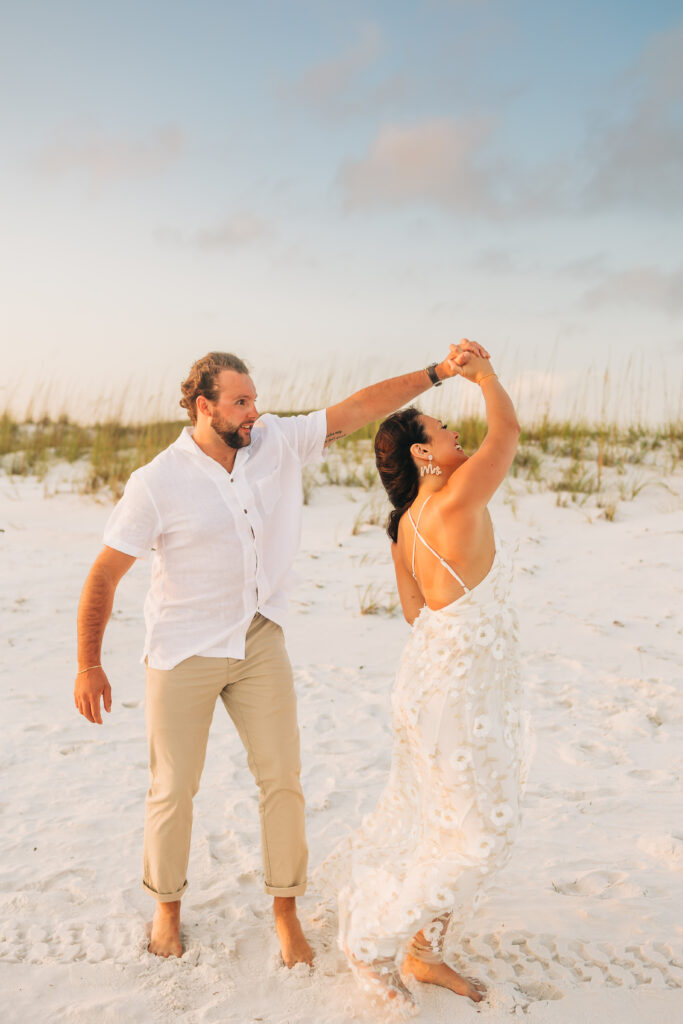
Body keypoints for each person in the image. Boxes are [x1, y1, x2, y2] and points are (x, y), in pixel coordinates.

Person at [73, 343, 488, 966]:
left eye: (255, 399)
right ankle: (166, 908)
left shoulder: (274, 441)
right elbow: (104, 574)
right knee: (173, 787)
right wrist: (89, 663)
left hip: (260, 636)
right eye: (240, 402)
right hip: (184, 648)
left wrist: (437, 374)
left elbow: (357, 408)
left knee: (283, 781)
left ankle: (286, 912)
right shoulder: (157, 482)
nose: (253, 412)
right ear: (203, 406)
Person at [321, 342, 528, 1012]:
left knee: (445, 827)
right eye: (442, 431)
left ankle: (425, 951)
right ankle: (373, 943)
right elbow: (507, 432)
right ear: (421, 453)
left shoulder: (402, 526)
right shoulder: (459, 495)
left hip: (431, 685)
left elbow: (416, 612)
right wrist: (483, 374)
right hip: (457, 695)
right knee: (478, 837)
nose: (455, 433)